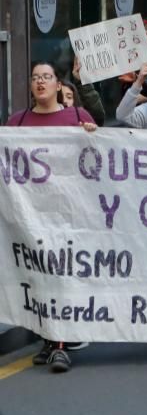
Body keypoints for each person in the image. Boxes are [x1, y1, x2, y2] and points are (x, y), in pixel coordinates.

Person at [11, 62, 97, 373]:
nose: (40, 82)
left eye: (46, 77)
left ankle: (60, 345)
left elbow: (97, 162)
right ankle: (49, 340)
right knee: (39, 278)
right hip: (30, 216)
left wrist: (92, 136)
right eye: (35, 78)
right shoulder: (17, 122)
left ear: (58, 85)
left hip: (68, 215)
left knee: (60, 275)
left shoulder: (77, 118)